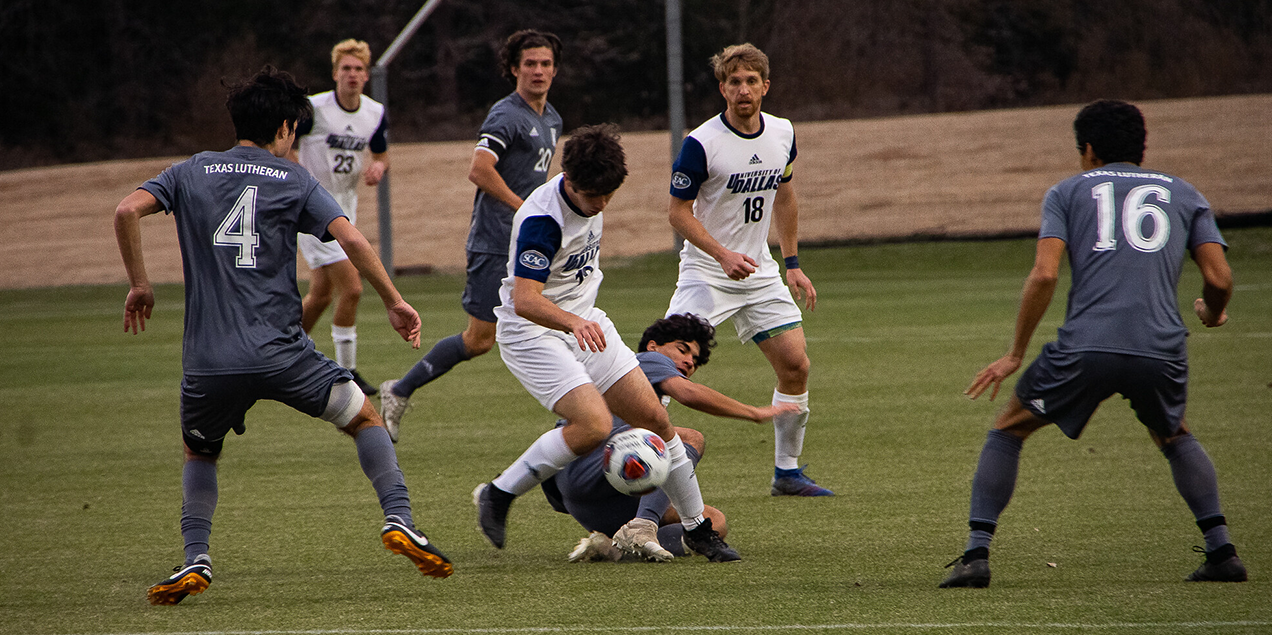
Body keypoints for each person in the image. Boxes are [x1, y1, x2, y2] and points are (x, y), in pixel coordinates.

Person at [115, 66, 452, 606]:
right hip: (281, 352)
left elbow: (126, 209)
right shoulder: (292, 179)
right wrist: (394, 300)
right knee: (363, 415)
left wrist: (140, 284)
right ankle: (399, 519)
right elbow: (352, 241)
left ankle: (196, 556)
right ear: (287, 130)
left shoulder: (189, 171)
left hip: (209, 360)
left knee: (200, 453)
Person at [939, 99, 1244, 588]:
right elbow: (1219, 276)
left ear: (1088, 148)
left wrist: (1016, 353)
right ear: (1141, 146)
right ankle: (1222, 551)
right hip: (1160, 348)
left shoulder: (1067, 192)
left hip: (1086, 346)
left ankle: (976, 554)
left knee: (1008, 430)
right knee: (1174, 436)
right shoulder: (1186, 194)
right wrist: (1211, 309)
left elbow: (1043, 275)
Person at [470, 124, 740, 562]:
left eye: (607, 195)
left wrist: (579, 320)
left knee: (656, 419)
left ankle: (698, 529)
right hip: (533, 334)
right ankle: (498, 495)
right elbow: (524, 301)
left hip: (584, 323)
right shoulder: (542, 221)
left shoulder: (594, 188)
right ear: (569, 181)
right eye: (592, 196)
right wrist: (572, 321)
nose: (600, 204)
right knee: (594, 424)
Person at [380, 29, 563, 441]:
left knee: (555, 321)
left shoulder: (552, 118)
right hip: (495, 241)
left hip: (529, 243)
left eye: (545, 63)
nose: (538, 71)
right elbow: (479, 169)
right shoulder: (506, 115)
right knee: (480, 339)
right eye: (530, 63)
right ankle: (400, 389)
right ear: (514, 68)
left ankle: (578, 416)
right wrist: (526, 209)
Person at [665, 43, 829, 497]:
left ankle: (788, 473)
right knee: (669, 369)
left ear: (765, 86)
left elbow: (786, 194)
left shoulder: (782, 133)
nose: (743, 89)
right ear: (722, 88)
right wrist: (721, 254)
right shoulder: (700, 144)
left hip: (760, 272)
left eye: (751, 81)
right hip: (706, 272)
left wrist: (792, 263)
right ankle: (626, 449)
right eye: (734, 82)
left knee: (796, 365)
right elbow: (678, 213)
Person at [542, 314, 801, 563]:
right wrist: (754, 413)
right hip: (588, 470)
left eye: (695, 360)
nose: (690, 361)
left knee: (712, 522)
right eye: (682, 349)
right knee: (688, 437)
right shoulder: (645, 360)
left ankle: (613, 547)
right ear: (654, 346)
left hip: (594, 501)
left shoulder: (643, 398)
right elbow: (688, 394)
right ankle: (644, 525)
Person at [289, 39, 389, 396]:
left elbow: (381, 154)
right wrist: (299, 181)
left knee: (320, 295)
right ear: (335, 74)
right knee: (353, 287)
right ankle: (346, 371)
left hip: (345, 210)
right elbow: (283, 146)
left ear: (366, 75)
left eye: (359, 69)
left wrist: (378, 167)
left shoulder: (374, 113)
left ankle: (281, 352)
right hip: (312, 211)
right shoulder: (314, 109)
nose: (352, 74)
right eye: (346, 68)